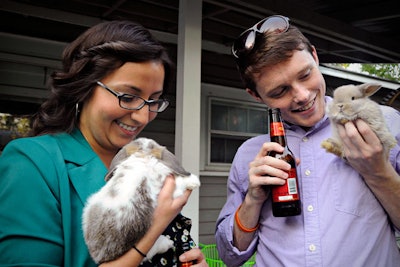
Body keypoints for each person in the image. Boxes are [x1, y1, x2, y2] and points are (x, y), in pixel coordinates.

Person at [0, 20, 207, 267]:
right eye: (128, 97)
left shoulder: (144, 159)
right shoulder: (32, 163)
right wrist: (150, 235)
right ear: (84, 86)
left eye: (153, 101)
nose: (142, 117)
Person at [215, 15, 400, 266]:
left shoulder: (384, 122)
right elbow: (229, 257)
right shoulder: (249, 155)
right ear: (256, 95)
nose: (302, 96)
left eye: (305, 75)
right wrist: (253, 200)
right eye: (280, 91)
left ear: (314, 56)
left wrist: (378, 172)